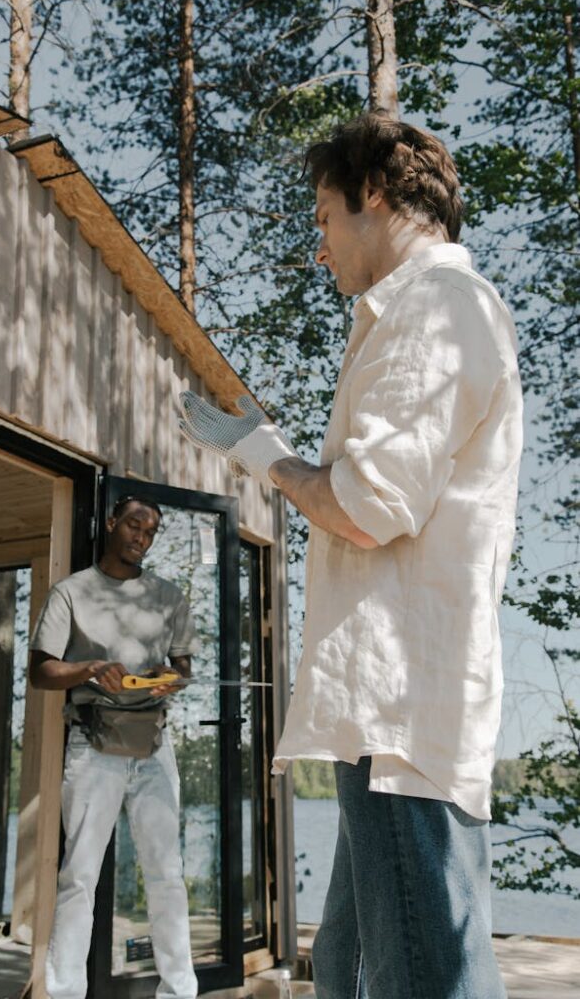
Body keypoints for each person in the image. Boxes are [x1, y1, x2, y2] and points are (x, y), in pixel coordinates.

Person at [178, 112, 523, 998]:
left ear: (375, 196)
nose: (319, 247)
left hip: (398, 710)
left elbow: (369, 509)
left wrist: (264, 454)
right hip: (391, 711)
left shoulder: (432, 308)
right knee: (343, 966)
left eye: (325, 219)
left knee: (419, 977)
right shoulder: (422, 312)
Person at [29, 494, 198, 999]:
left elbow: (183, 668)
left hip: (153, 746)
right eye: (133, 526)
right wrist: (89, 669)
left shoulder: (169, 597)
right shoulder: (72, 593)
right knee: (79, 876)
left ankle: (178, 991)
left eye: (150, 532)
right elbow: (40, 670)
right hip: (92, 743)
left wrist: (170, 680)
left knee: (167, 874)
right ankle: (63, 993)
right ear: (111, 524)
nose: (141, 538)